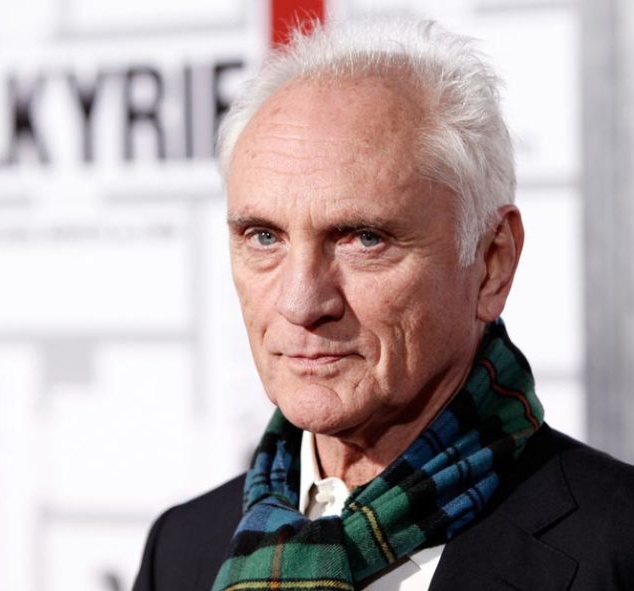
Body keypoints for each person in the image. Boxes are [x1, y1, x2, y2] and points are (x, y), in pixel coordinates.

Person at [133, 18, 634, 591]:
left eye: (364, 238)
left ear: (492, 264)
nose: (301, 302)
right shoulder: (181, 548)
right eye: (264, 237)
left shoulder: (617, 547)